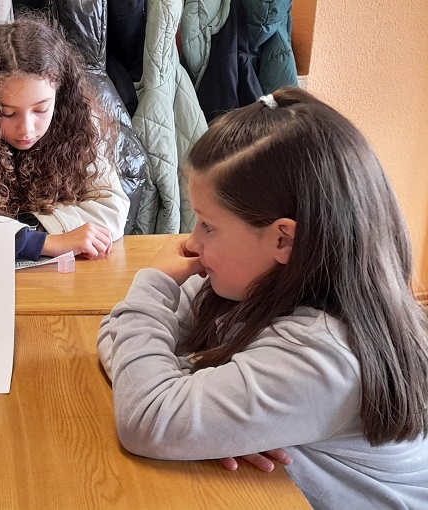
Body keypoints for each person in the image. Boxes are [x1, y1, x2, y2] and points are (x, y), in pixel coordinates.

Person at [98, 88, 428, 509]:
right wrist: (204, 418)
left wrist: (154, 287)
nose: (192, 242)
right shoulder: (257, 280)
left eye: (208, 225)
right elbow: (117, 332)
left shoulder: (322, 355)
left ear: (283, 239)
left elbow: (145, 416)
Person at [0, 17, 130, 261]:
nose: (26, 130)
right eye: (7, 113)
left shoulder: (80, 121)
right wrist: (46, 242)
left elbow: (111, 207)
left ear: (59, 95)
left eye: (41, 110)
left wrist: (20, 236)